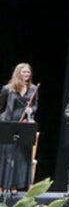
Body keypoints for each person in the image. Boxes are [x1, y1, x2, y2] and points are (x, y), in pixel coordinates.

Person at [0, 62, 38, 192]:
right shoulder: (7, 89)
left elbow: (35, 106)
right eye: (23, 72)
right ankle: (3, 184)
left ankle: (15, 185)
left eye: (28, 72)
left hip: (24, 125)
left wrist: (31, 110)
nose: (26, 74)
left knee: (20, 155)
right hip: (9, 123)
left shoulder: (33, 89)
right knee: (7, 154)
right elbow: (2, 107)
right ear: (18, 73)